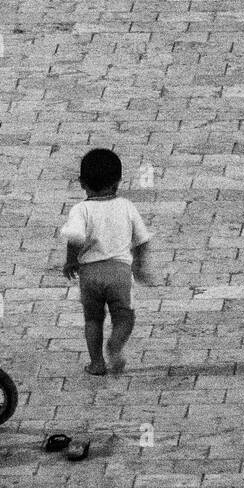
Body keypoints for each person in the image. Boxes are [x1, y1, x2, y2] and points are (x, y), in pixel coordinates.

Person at [61, 149, 154, 375]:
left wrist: (70, 261)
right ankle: (114, 345)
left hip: (90, 274)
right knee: (124, 317)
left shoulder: (81, 210)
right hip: (119, 273)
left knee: (93, 319)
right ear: (118, 182)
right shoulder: (126, 206)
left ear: (82, 183)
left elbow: (74, 237)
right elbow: (142, 239)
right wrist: (139, 265)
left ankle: (96, 363)